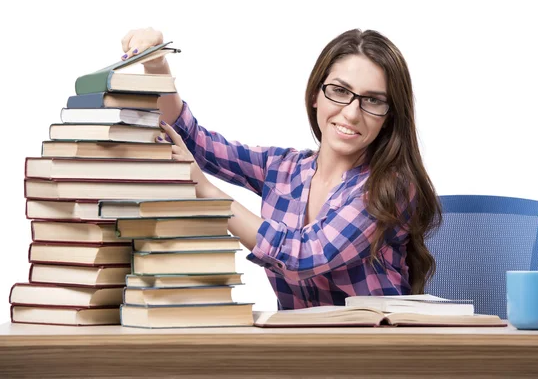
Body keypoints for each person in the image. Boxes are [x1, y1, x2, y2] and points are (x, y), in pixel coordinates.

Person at [120, 27, 441, 310]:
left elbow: (303, 256)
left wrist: (206, 191)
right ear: (316, 94)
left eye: (372, 101)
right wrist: (156, 64)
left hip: (377, 354)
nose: (352, 113)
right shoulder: (285, 169)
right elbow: (196, 142)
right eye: (340, 91)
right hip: (299, 352)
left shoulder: (392, 187)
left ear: (390, 116)